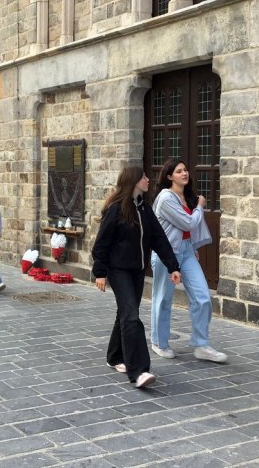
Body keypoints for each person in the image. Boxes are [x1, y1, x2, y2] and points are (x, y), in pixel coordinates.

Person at [91, 166, 181, 388]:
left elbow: (159, 239)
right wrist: (100, 272)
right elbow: (101, 244)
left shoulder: (145, 209)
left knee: (126, 313)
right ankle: (139, 371)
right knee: (131, 316)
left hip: (137, 271)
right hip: (118, 270)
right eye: (143, 177)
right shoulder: (116, 209)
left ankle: (115, 357)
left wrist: (173, 267)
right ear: (133, 181)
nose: (148, 179)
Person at [150, 159, 227, 363]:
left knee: (203, 297)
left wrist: (192, 247)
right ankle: (159, 342)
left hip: (186, 252)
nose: (184, 173)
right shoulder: (165, 198)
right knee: (163, 299)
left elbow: (188, 231)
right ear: (169, 176)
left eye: (185, 170)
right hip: (166, 254)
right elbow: (188, 223)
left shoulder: (187, 197)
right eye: (179, 171)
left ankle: (201, 345)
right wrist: (200, 207)